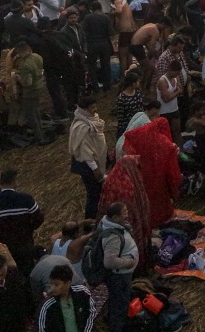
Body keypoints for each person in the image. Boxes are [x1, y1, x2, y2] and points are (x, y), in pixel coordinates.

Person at [0, 168, 45, 272]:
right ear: (14, 181)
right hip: (24, 243)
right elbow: (38, 218)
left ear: (0, 182)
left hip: (1, 247)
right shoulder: (26, 199)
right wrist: (29, 229)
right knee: (26, 271)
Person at [97, 201, 139, 332]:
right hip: (119, 276)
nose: (127, 215)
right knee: (119, 306)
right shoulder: (112, 236)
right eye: (124, 213)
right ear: (115, 217)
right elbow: (109, 262)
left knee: (118, 303)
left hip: (122, 275)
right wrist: (129, 262)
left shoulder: (113, 225)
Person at [68, 95, 106, 219]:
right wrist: (95, 169)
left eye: (95, 106)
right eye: (92, 108)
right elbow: (85, 152)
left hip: (97, 161)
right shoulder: (82, 127)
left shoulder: (92, 120)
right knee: (94, 194)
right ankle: (90, 220)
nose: (95, 110)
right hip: (89, 166)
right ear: (84, 109)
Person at [33, 263, 95, 332]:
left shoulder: (82, 293)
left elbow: (91, 314)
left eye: (56, 285)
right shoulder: (47, 305)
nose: (52, 288)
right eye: (51, 284)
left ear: (68, 283)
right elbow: (40, 328)